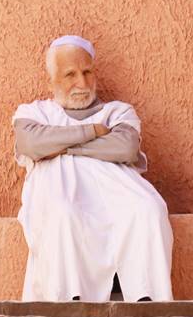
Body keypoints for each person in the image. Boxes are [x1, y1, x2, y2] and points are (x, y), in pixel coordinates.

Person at [13, 35, 173, 302]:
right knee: (63, 213)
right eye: (70, 74)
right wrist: (93, 132)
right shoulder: (34, 112)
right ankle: (69, 306)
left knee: (149, 209)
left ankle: (146, 303)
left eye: (87, 72)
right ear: (51, 80)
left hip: (118, 194)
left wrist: (58, 145)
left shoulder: (117, 112)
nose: (82, 83)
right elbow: (31, 144)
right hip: (59, 194)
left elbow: (125, 148)